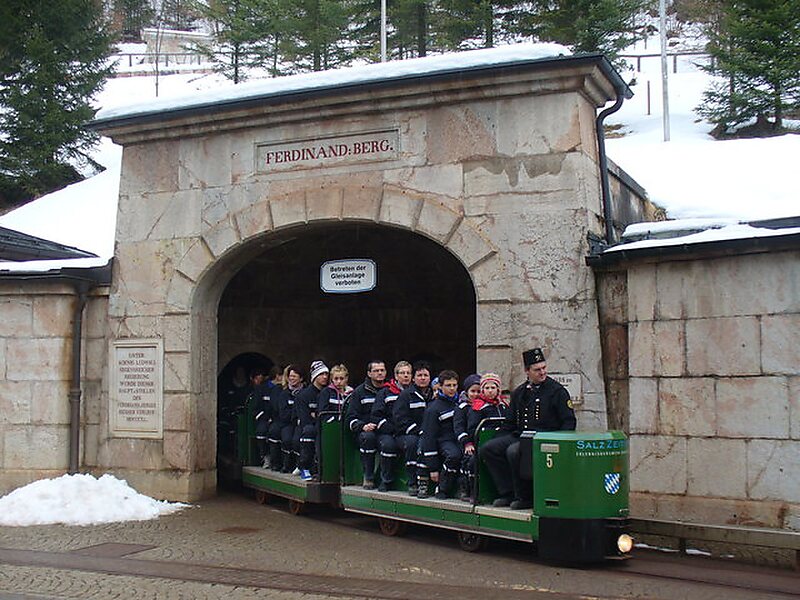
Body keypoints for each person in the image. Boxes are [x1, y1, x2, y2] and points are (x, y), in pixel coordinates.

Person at [478, 348, 575, 510]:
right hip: (521, 435)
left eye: (544, 368)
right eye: (537, 369)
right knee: (489, 449)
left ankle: (525, 496)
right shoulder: (520, 392)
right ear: (527, 371)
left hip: (544, 439)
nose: (542, 372)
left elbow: (568, 422)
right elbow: (510, 422)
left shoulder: (557, 392)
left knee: (514, 452)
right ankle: (507, 492)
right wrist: (497, 439)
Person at [455, 372, 507, 502]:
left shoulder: (503, 405)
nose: (490, 391)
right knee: (472, 461)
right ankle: (472, 489)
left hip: (501, 441)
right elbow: (471, 428)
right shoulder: (477, 407)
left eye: (493, 388)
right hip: (481, 442)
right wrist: (469, 442)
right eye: (487, 388)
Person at [419, 370, 462, 499]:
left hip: (458, 439)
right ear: (441, 386)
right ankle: (442, 488)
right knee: (454, 455)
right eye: (448, 385)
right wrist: (432, 468)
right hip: (443, 441)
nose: (452, 388)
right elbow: (429, 437)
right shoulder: (433, 408)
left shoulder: (460, 404)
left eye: (454, 385)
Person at [393, 361, 433, 496]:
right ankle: (412, 481)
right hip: (407, 434)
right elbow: (400, 419)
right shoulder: (406, 395)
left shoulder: (434, 395)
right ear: (414, 378)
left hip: (429, 433)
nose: (423, 378)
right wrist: (419, 430)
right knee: (413, 443)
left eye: (425, 375)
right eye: (419, 375)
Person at [372, 360, 412, 492]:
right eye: (402, 373)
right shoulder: (384, 393)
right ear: (396, 376)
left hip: (406, 431)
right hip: (387, 432)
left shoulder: (415, 393)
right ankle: (386, 480)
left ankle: (412, 482)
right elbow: (376, 416)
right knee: (388, 446)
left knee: (412, 444)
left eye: (408, 373)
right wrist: (389, 428)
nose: (406, 376)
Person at [345, 359, 387, 489]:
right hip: (365, 432)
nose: (380, 373)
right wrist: (363, 426)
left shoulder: (390, 390)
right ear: (369, 373)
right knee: (368, 438)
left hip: (384, 430)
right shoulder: (359, 392)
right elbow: (351, 418)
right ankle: (368, 476)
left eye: (382, 370)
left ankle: (386, 479)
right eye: (376, 371)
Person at [294, 360, 329, 481]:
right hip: (309, 428)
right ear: (314, 376)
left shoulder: (329, 392)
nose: (325, 377)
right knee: (309, 430)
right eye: (321, 374)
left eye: (326, 374)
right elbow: (305, 419)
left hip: (326, 426)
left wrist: (316, 415)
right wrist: (316, 417)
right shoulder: (303, 395)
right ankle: (304, 466)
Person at [267, 364, 305, 473]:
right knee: (286, 439)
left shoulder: (304, 393)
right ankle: (285, 464)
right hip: (287, 423)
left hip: (299, 423)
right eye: (290, 376)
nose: (292, 379)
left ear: (301, 378)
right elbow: (283, 414)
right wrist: (295, 414)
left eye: (295, 376)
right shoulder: (284, 394)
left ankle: (299, 465)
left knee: (297, 440)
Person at [253, 366, 281, 468]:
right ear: (278, 376)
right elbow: (256, 408)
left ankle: (276, 460)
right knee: (261, 431)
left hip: (277, 419)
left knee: (276, 431)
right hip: (264, 419)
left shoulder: (282, 390)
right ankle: (265, 456)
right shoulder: (262, 389)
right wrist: (265, 418)